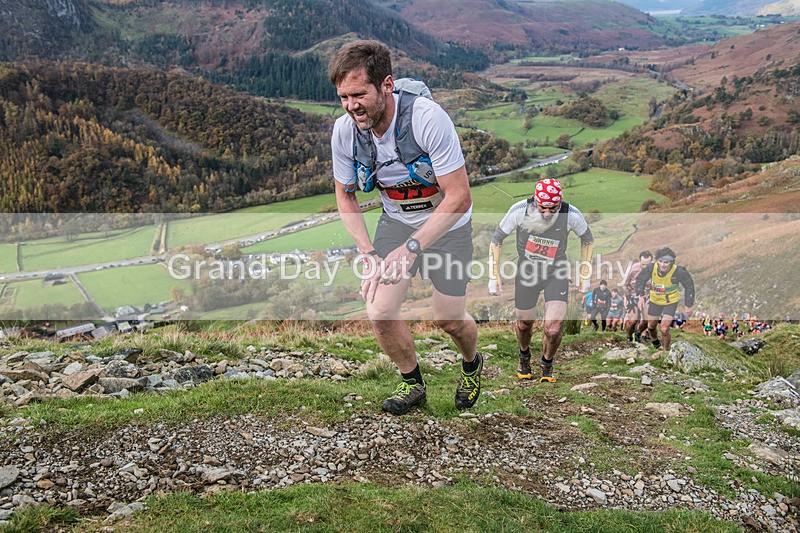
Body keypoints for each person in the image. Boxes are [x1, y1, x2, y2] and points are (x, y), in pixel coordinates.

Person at [329, 40, 482, 415]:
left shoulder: (427, 118)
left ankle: (472, 363)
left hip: (447, 223)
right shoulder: (345, 132)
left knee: (448, 318)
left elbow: (459, 196)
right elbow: (346, 198)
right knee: (379, 310)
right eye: (343, 97)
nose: (352, 106)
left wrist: (411, 249)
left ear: (386, 85)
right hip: (396, 220)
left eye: (359, 94)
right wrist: (368, 252)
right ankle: (412, 382)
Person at [487, 178, 594, 382]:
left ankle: (547, 362)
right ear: (536, 201)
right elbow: (497, 238)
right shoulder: (520, 210)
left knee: (553, 328)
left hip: (556, 271)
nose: (547, 213)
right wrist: (494, 276)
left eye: (553, 208)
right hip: (527, 271)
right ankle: (524, 355)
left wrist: (585, 276)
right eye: (543, 207)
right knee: (525, 323)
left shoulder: (571, 214)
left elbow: (587, 239)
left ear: (560, 203)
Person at [635, 247, 695, 351]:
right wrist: (640, 295)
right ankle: (655, 341)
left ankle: (665, 351)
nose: (662, 265)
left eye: (666, 262)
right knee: (651, 326)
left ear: (671, 262)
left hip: (670, 302)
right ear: (657, 261)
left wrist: (688, 305)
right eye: (660, 261)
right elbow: (640, 279)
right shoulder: (651, 267)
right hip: (655, 300)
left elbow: (689, 286)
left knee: (664, 328)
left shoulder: (679, 271)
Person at [622, 250, 653, 342]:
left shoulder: (655, 269)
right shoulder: (632, 269)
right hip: (633, 296)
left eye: (648, 264)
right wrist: (628, 297)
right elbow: (624, 285)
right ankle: (629, 336)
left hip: (647, 296)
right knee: (633, 321)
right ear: (639, 261)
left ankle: (638, 333)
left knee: (646, 320)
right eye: (643, 264)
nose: (645, 267)